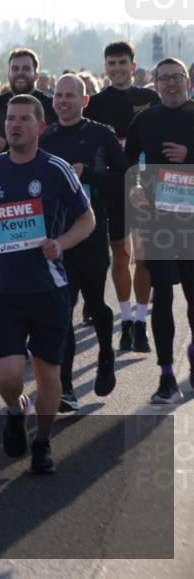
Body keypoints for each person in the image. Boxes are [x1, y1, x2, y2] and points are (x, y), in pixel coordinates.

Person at [0, 95, 95, 475]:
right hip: (4, 292)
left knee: (48, 375)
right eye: (11, 118)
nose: (15, 125)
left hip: (48, 290)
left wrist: (60, 244)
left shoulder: (56, 169)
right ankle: (15, 410)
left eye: (24, 119)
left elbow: (87, 220)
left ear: (40, 127)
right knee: (7, 377)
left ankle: (42, 442)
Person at [39, 74, 128, 410]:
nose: (63, 101)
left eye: (70, 96)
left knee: (96, 303)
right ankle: (65, 386)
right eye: (58, 96)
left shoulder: (100, 134)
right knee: (62, 309)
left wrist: (88, 175)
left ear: (84, 100)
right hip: (56, 236)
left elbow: (124, 178)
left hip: (91, 232)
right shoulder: (46, 138)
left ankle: (106, 355)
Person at [124, 58, 194, 404]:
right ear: (155, 83)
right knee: (162, 296)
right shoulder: (146, 120)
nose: (170, 83)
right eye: (163, 78)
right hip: (159, 222)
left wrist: (190, 154)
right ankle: (166, 376)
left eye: (176, 77)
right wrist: (134, 186)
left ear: (187, 81)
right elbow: (128, 160)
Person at [83, 40, 160, 352]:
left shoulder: (149, 99)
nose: (117, 69)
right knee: (121, 256)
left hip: (145, 188)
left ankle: (141, 322)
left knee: (144, 255)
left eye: (122, 63)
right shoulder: (95, 104)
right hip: (111, 189)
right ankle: (126, 319)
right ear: (105, 68)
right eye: (111, 64)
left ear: (133, 65)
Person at [0, 48, 58, 163]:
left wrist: (7, 149)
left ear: (36, 75)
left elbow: (57, 147)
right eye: (15, 69)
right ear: (8, 74)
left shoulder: (51, 106)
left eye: (26, 69)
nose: (20, 73)